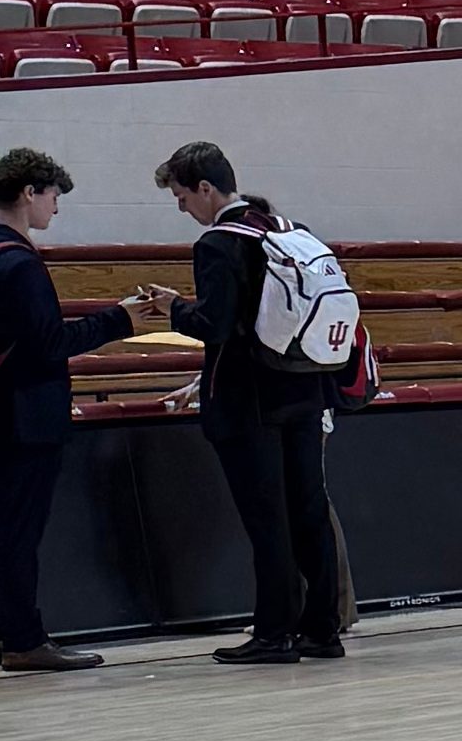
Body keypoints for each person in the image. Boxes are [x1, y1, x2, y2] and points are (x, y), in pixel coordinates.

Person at [137, 143, 346, 663]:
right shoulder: (288, 229)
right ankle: (322, 629)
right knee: (309, 511)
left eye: (182, 197)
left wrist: (175, 308)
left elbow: (215, 325)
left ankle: (274, 633)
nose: (182, 208)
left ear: (206, 189)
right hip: (304, 390)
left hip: (248, 402)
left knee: (267, 520)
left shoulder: (218, 243)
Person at [0, 150, 167, 675]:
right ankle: (24, 640)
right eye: (53, 195)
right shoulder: (19, 263)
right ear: (29, 192)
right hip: (24, 419)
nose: (56, 207)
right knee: (17, 534)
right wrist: (119, 319)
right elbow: (49, 346)